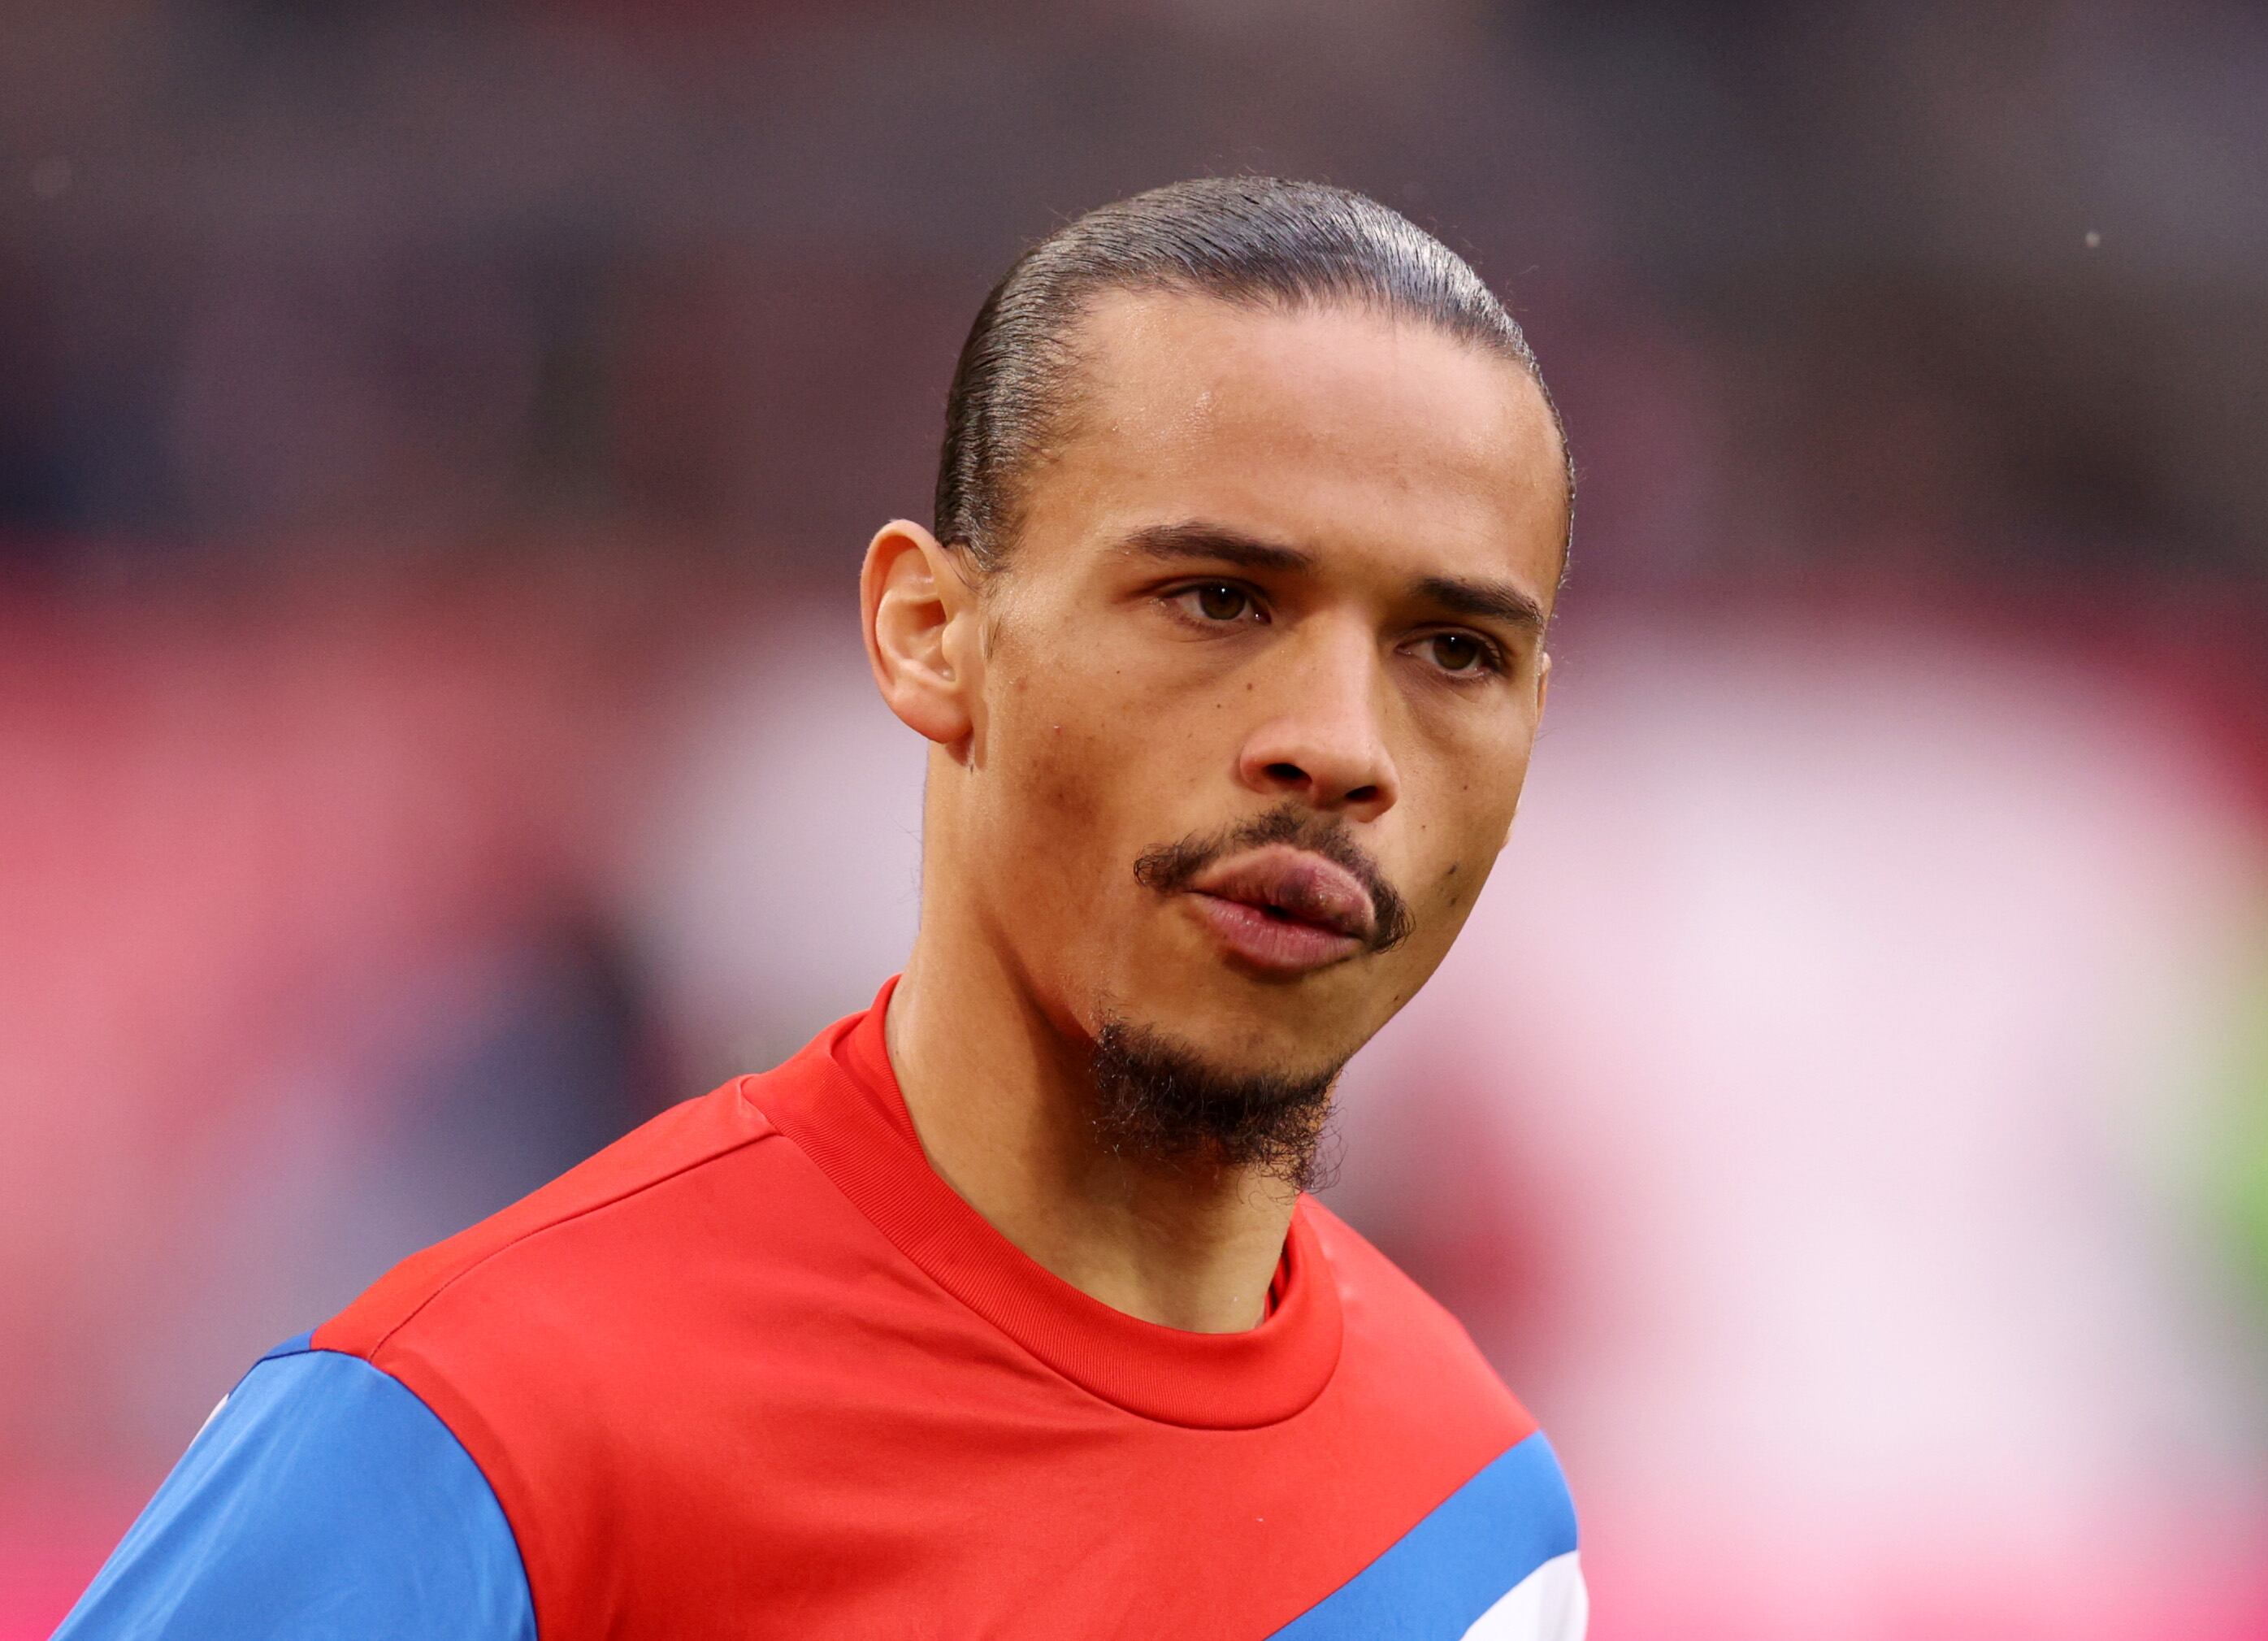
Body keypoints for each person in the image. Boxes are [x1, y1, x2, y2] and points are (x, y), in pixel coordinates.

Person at [56, 177, 1584, 1639]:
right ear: (931, 635)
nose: (1338, 745)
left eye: (1453, 650)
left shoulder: (1476, 1520)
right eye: (1217, 600)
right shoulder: (482, 1430)